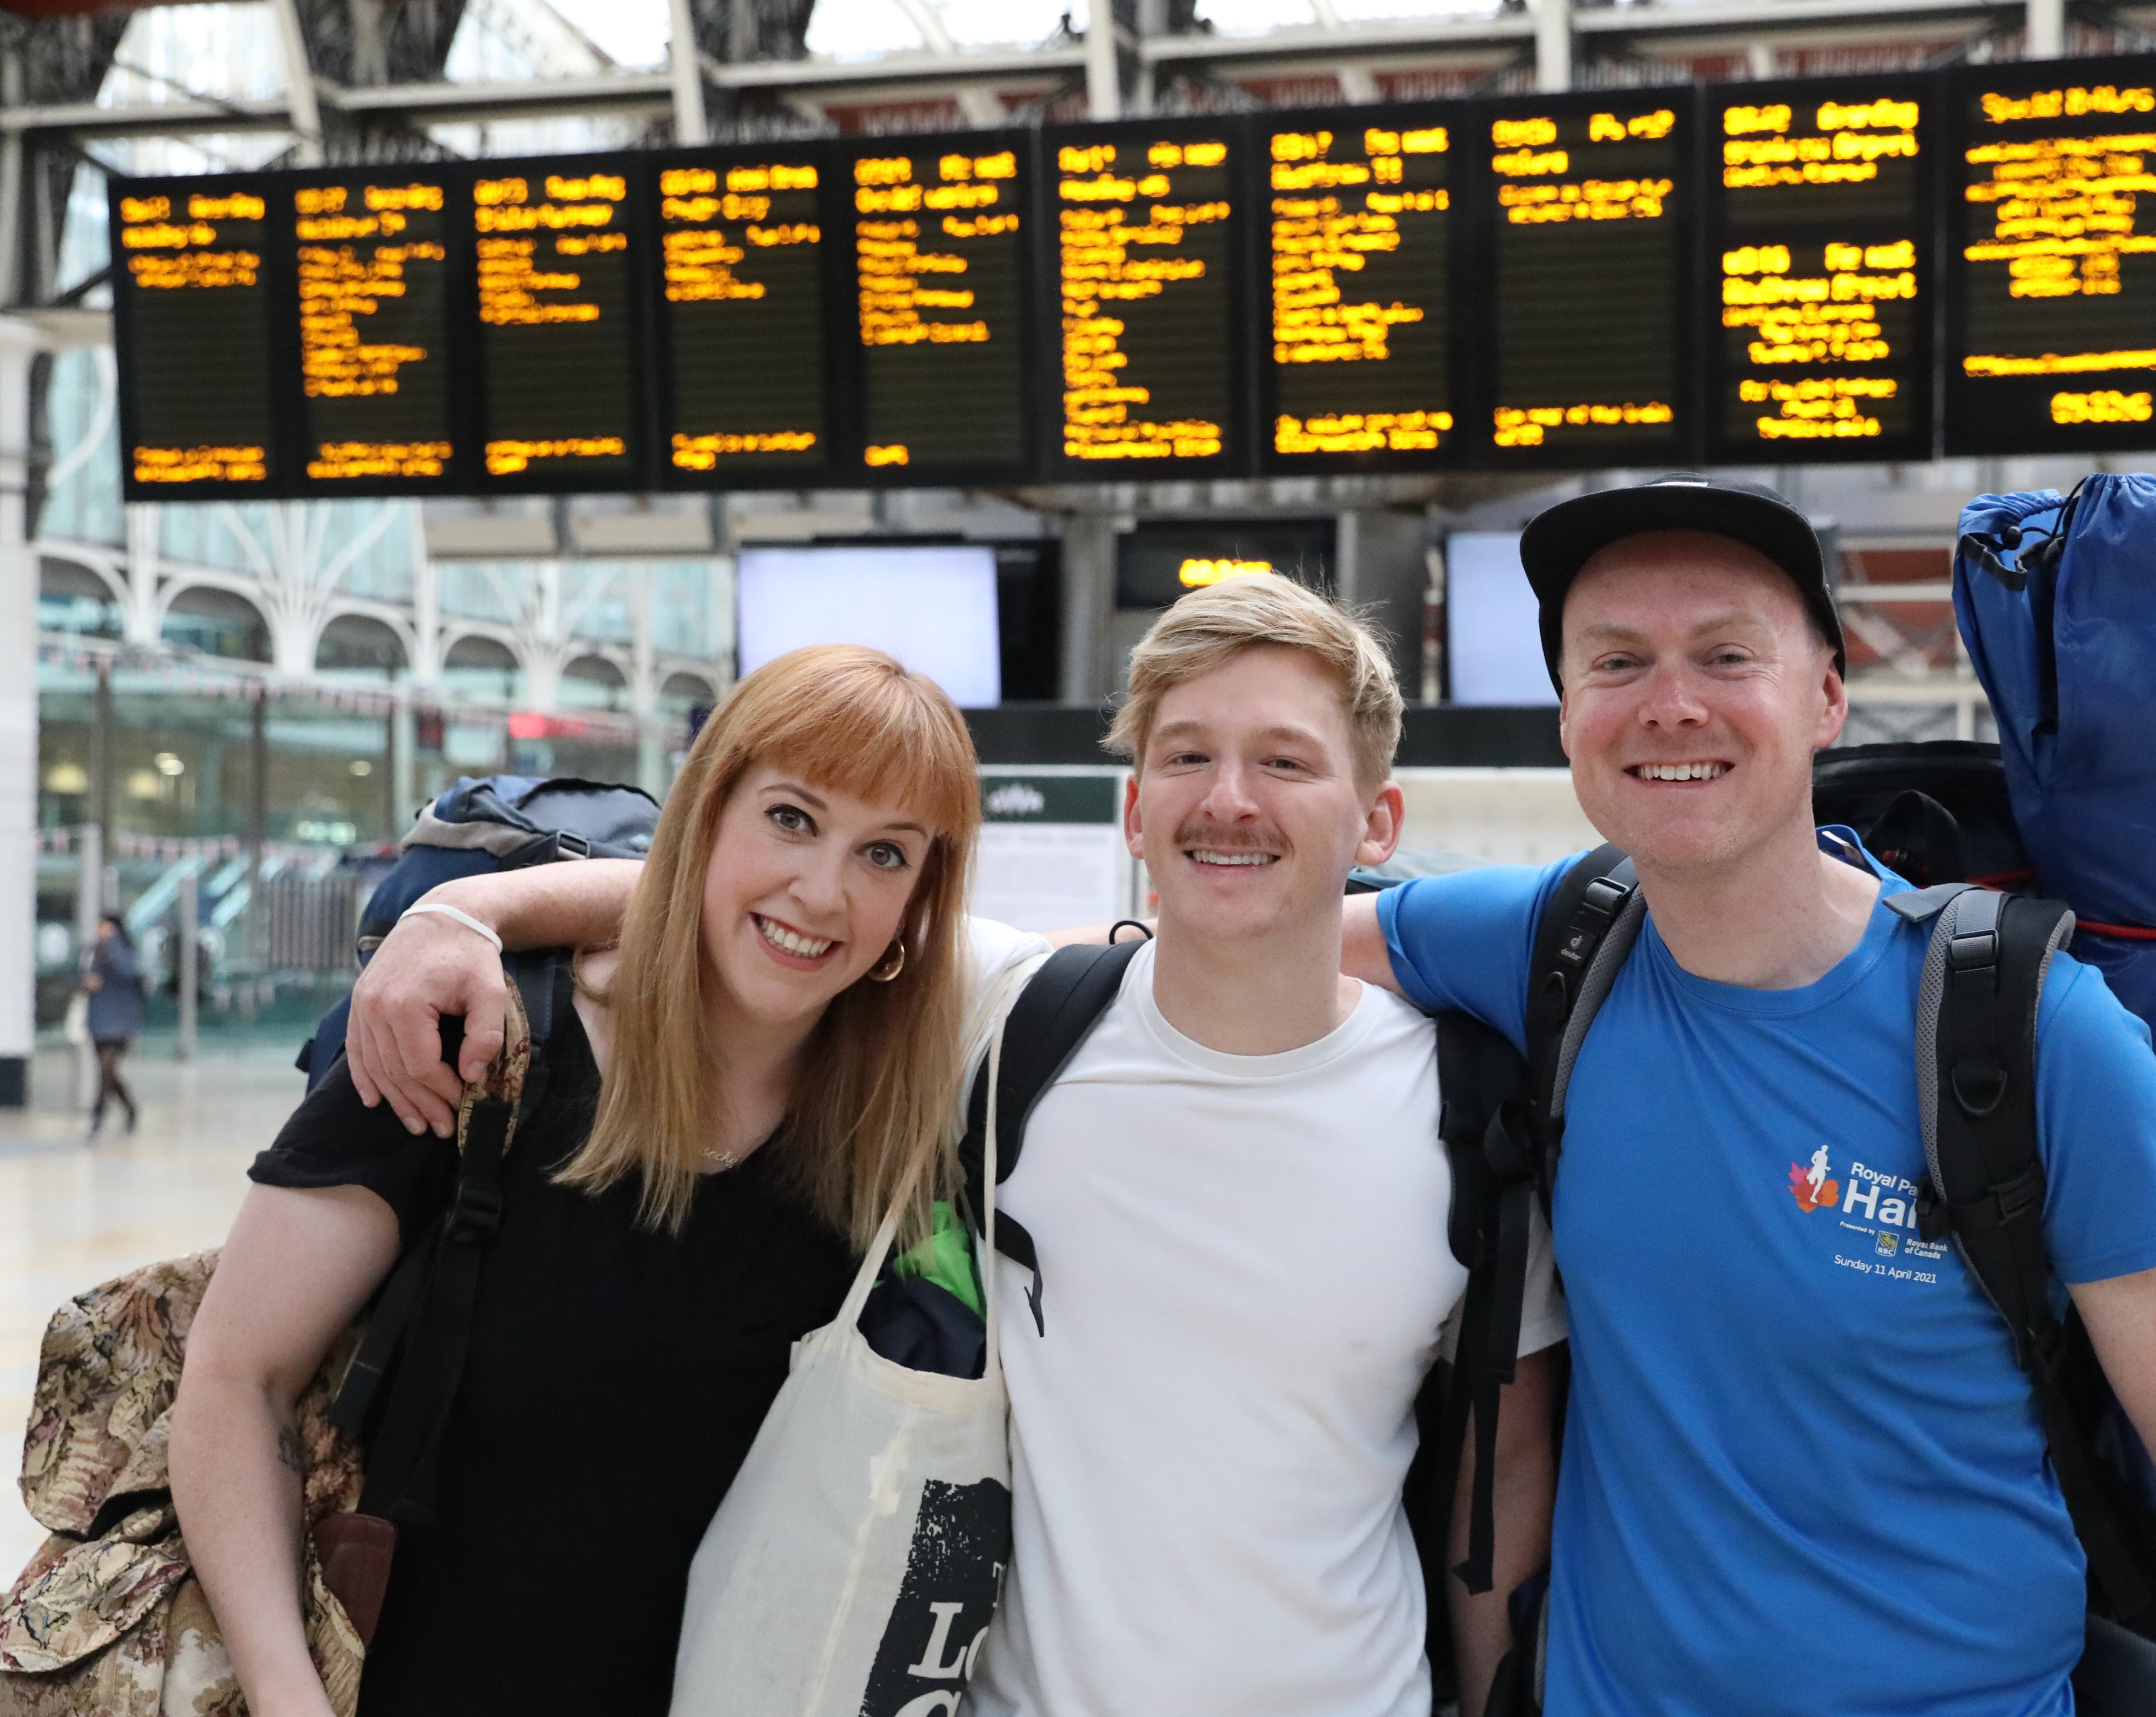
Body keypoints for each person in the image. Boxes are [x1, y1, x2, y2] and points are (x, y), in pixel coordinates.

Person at [341, 576, 1566, 1717]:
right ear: (1136, 811)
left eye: (1284, 761)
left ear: (1377, 818)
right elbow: (747, 904)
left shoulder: (1465, 1107)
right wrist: (466, 907)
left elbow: (1500, 1478)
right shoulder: (1010, 1011)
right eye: (1187, 754)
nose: (1228, 797)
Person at [1333, 478, 2156, 1717]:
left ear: (1826, 696)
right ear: (1567, 713)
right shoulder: (1548, 944)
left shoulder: (2029, 1031)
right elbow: (1238, 945)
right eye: (1614, 661)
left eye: (1725, 653)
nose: (1668, 702)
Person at [169, 646, 1034, 1717]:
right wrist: (283, 1694)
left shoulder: (896, 1125)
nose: (824, 891)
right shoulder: (480, 1047)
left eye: (885, 853)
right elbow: (230, 1378)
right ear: (708, 811)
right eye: (791, 818)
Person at [79, 913, 145, 1137]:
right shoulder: (91, 953)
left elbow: (130, 970)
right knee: (108, 1073)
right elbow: (78, 975)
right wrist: (85, 981)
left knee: (107, 1069)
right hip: (98, 1021)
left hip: (123, 1021)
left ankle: (97, 1116)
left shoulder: (126, 951)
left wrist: (113, 944)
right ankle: (130, 1109)